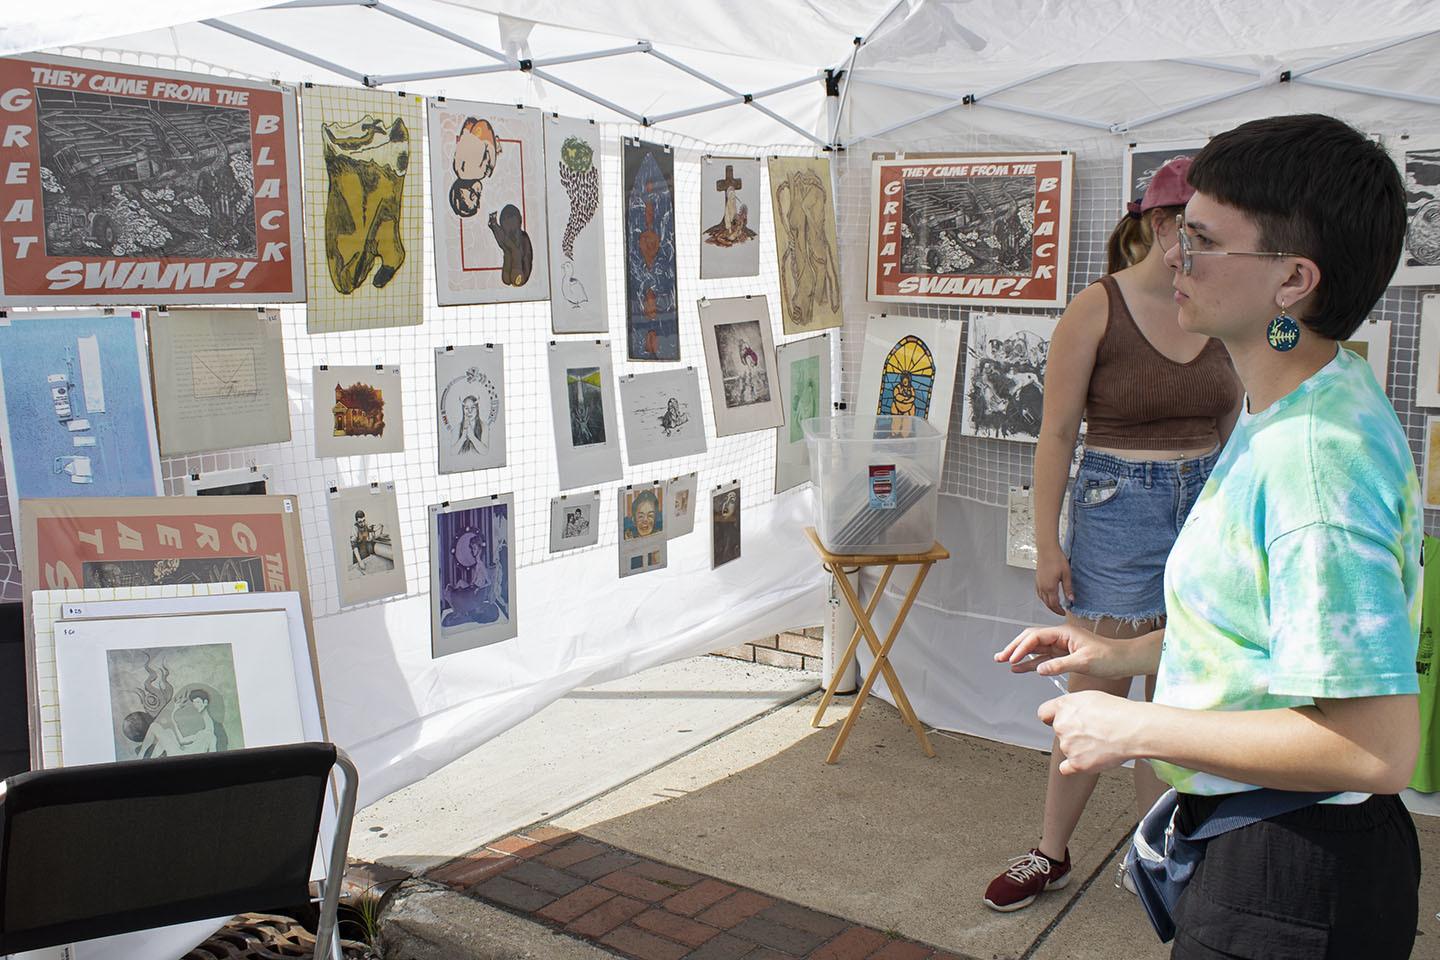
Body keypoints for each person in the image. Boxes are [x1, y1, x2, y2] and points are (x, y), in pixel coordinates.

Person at [998, 114, 1421, 957]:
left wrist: (1133, 728)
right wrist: (1116, 658)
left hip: (1291, 873)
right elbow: (1258, 633)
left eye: (1199, 239)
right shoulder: (1300, 402)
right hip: (1265, 844)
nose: (1172, 259)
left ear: (1292, 280)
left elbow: (1374, 749)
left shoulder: (1314, 458)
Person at [983, 157, 1243, 913]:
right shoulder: (1097, 308)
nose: (1212, 246)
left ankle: (1153, 852)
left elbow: (1231, 420)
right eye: (1200, 228)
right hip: (1115, 508)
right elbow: (1056, 433)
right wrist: (1047, 542)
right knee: (1097, 688)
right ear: (1161, 226)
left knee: (1179, 694)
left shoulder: (1219, 308)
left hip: (1205, 501)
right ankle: (1050, 851)